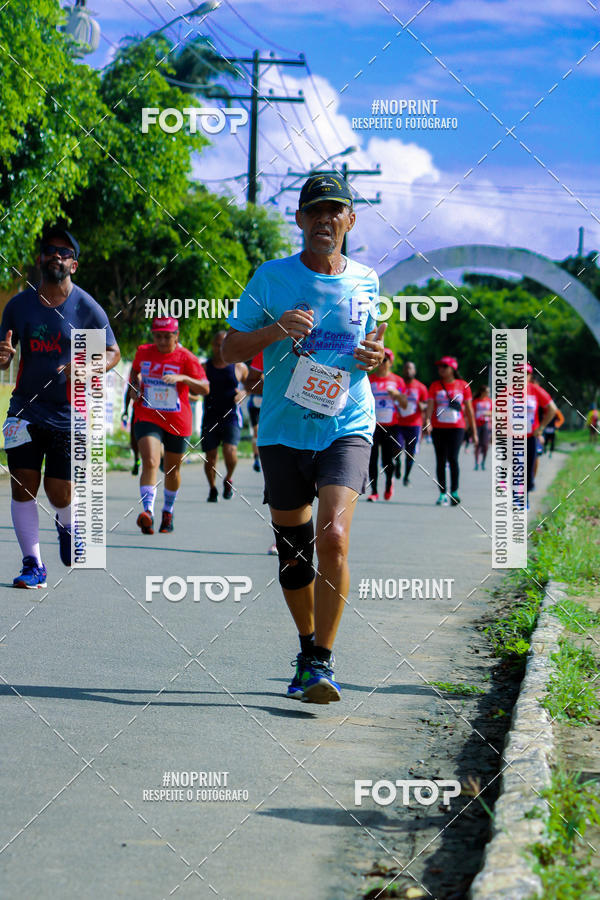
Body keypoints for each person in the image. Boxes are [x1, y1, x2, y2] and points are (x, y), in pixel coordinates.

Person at [222, 172, 385, 704]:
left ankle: (321, 662)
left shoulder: (367, 281)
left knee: (333, 538)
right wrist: (275, 330)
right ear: (298, 219)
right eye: (314, 210)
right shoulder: (270, 278)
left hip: (347, 424)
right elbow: (229, 350)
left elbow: (374, 352)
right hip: (284, 431)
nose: (324, 219)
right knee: (294, 552)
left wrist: (377, 359)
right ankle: (305, 645)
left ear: (350, 222)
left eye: (335, 210)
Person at [0, 227, 120, 587]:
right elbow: (4, 354)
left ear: (74, 264)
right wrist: (2, 357)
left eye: (65, 252)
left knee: (58, 492)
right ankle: (32, 565)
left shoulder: (85, 307)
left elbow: (114, 353)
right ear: (39, 259)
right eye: (50, 250)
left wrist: (89, 364)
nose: (56, 255)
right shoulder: (18, 305)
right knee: (23, 485)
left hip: (70, 415)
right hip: (23, 410)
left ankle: (68, 525)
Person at [130, 317, 209, 534]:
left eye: (167, 336)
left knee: (172, 471)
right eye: (158, 336)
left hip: (176, 420)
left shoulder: (187, 358)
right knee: (150, 460)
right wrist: (134, 387)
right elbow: (134, 373)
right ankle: (148, 512)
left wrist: (183, 377)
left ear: (177, 336)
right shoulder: (144, 352)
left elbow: (204, 389)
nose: (162, 341)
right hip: (148, 414)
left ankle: (168, 510)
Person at [201, 330, 247, 502]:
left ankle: (228, 477)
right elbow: (195, 389)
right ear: (213, 346)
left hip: (231, 416)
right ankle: (212, 488)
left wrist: (242, 393)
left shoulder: (239, 367)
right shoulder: (205, 368)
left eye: (223, 345)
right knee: (210, 455)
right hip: (210, 416)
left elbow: (252, 384)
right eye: (217, 345)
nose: (220, 348)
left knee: (230, 450)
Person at [425, 356, 477, 506]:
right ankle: (442, 493)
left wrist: (474, 432)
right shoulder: (435, 385)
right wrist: (427, 421)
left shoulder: (463, 385)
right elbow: (430, 406)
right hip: (439, 428)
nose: (440, 369)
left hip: (457, 428)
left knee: (453, 459)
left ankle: (454, 492)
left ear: (452, 369)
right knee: (440, 460)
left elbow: (469, 410)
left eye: (444, 367)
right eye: (439, 366)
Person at [367, 348, 405, 501]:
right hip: (373, 425)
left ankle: (389, 483)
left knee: (387, 460)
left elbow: (404, 404)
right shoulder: (370, 380)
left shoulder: (397, 381)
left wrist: (396, 395)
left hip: (391, 425)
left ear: (391, 363)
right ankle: (374, 491)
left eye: (385, 360)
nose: (382, 364)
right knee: (372, 458)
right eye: (380, 360)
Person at [525, 363, 558, 498]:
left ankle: (524, 495)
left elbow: (553, 409)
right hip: (512, 436)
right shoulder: (507, 390)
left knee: (531, 463)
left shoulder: (535, 390)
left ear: (529, 376)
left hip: (532, 434)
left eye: (525, 374)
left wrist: (542, 428)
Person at [396, 360, 428, 485]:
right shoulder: (399, 385)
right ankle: (397, 462)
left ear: (414, 371)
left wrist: (422, 407)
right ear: (403, 371)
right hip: (399, 423)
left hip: (414, 424)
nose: (408, 371)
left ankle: (406, 476)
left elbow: (426, 405)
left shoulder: (421, 387)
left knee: (410, 452)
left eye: (410, 368)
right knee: (397, 447)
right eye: (406, 368)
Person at [473, 385, 492, 471]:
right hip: (477, 424)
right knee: (477, 445)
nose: (488, 393)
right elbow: (471, 412)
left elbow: (493, 412)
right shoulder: (475, 401)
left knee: (485, 445)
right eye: (487, 392)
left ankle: (483, 462)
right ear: (482, 392)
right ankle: (476, 463)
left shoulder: (489, 401)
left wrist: (488, 414)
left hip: (486, 424)